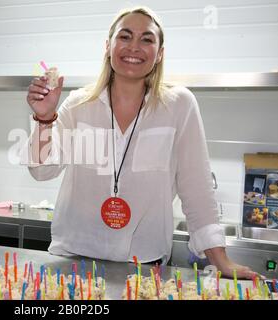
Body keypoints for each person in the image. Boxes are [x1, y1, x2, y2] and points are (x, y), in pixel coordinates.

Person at [24, 6, 257, 279]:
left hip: (145, 265)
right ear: (107, 46)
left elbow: (197, 190)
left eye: (146, 39)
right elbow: (42, 170)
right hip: (74, 259)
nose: (134, 47)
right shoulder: (78, 104)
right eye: (124, 37)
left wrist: (221, 262)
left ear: (160, 53)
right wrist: (44, 118)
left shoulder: (179, 105)